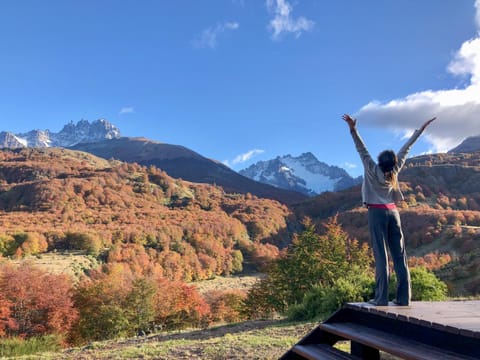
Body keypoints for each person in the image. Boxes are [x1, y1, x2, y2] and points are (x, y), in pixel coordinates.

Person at [342, 114, 436, 306]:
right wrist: (420, 131)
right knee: (399, 255)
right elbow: (406, 148)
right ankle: (403, 298)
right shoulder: (395, 169)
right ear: (393, 162)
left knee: (381, 255)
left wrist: (353, 129)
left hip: (376, 213)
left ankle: (381, 298)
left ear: (379, 161)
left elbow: (361, 148)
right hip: (394, 213)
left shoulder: (370, 167)